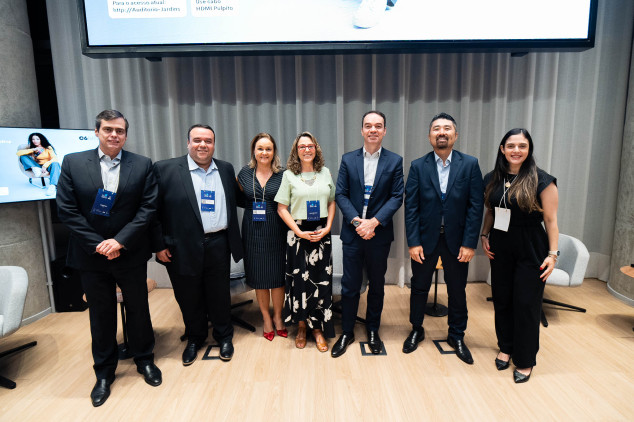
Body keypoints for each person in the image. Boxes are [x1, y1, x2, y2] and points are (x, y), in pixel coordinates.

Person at [56, 110, 161, 407]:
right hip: (92, 256)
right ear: (97, 131)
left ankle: (144, 360)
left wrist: (120, 241)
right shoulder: (73, 163)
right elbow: (66, 210)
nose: (114, 135)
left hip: (129, 252)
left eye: (119, 130)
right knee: (100, 315)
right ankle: (104, 372)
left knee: (139, 309)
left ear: (126, 134)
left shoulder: (142, 164)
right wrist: (99, 244)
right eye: (108, 129)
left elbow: (147, 208)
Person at [152, 124, 243, 366]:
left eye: (208, 141)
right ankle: (195, 338)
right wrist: (158, 245)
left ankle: (224, 337)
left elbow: (237, 198)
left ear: (214, 144)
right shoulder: (166, 169)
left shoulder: (225, 169)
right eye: (197, 140)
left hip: (218, 243)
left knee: (219, 294)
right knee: (188, 296)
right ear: (188, 143)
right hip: (181, 247)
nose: (203, 145)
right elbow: (153, 211)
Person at [403, 112, 483, 365]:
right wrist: (413, 242)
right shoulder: (418, 166)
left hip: (458, 242)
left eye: (447, 128)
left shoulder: (470, 164)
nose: (442, 132)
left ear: (455, 136)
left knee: (457, 290)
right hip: (425, 241)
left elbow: (475, 207)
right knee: (419, 287)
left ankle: (456, 335)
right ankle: (416, 329)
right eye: (436, 128)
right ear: (429, 136)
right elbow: (411, 208)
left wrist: (470, 243)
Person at [480, 128, 559, 383]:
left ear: (529, 150)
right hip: (500, 245)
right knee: (502, 299)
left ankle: (525, 360)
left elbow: (551, 220)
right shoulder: (492, 178)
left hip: (531, 246)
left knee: (526, 304)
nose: (516, 150)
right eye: (511, 145)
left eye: (522, 146)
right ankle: (506, 346)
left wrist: (552, 254)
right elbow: (491, 211)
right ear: (502, 149)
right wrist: (484, 235)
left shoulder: (543, 180)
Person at [331, 111, 404, 357]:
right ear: (361, 130)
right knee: (350, 286)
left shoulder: (394, 161)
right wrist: (356, 222)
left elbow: (396, 197)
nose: (373, 129)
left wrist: (373, 223)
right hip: (353, 234)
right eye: (368, 126)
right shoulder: (348, 159)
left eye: (378, 126)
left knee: (377, 285)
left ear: (385, 131)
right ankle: (347, 332)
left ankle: (373, 330)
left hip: (379, 235)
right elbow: (340, 193)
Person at [275, 132, 336, 352]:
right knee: (299, 282)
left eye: (310, 145)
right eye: (302, 146)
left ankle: (318, 329)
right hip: (298, 234)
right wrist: (298, 231)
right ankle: (301, 327)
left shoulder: (325, 173)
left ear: (316, 148)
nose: (307, 149)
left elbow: (331, 202)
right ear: (296, 150)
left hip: (321, 233)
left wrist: (328, 226)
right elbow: (282, 208)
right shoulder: (289, 175)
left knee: (321, 281)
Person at [236, 133, 287, 341]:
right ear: (254, 151)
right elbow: (239, 198)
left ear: (274, 152)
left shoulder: (283, 174)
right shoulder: (244, 174)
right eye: (260, 148)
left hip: (277, 228)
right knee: (260, 277)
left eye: (268, 149)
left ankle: (278, 316)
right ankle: (266, 317)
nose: (264, 152)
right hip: (252, 230)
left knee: (277, 277)